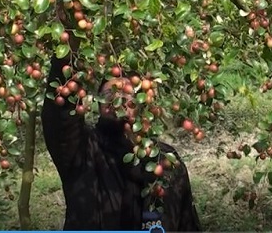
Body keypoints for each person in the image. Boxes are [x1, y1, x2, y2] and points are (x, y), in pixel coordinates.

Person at [41, 52, 203, 232]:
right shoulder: (85, 151)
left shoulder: (166, 161)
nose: (119, 100)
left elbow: (187, 224)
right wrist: (68, 52)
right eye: (111, 93)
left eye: (128, 94)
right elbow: (59, 119)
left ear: (143, 104)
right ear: (100, 103)